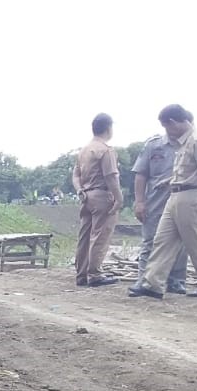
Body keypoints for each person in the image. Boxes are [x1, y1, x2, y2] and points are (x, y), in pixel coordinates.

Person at [130, 104, 197, 299]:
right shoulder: (184, 143)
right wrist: (167, 182)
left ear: (173, 123)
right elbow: (185, 172)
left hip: (191, 197)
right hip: (175, 195)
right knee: (163, 240)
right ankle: (152, 283)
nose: (167, 132)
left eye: (167, 127)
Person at [131, 132, 189, 294]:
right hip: (155, 201)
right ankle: (144, 279)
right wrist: (140, 201)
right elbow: (141, 174)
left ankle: (176, 280)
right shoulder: (154, 146)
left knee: (181, 240)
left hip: (181, 198)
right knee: (150, 239)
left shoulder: (192, 144)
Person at [72, 113, 123, 287]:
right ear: (108, 128)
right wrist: (118, 198)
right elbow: (110, 177)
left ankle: (81, 274)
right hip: (102, 195)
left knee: (85, 236)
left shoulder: (84, 151)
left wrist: (80, 191)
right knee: (100, 236)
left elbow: (75, 176)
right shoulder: (105, 150)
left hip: (86, 196)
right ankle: (94, 274)